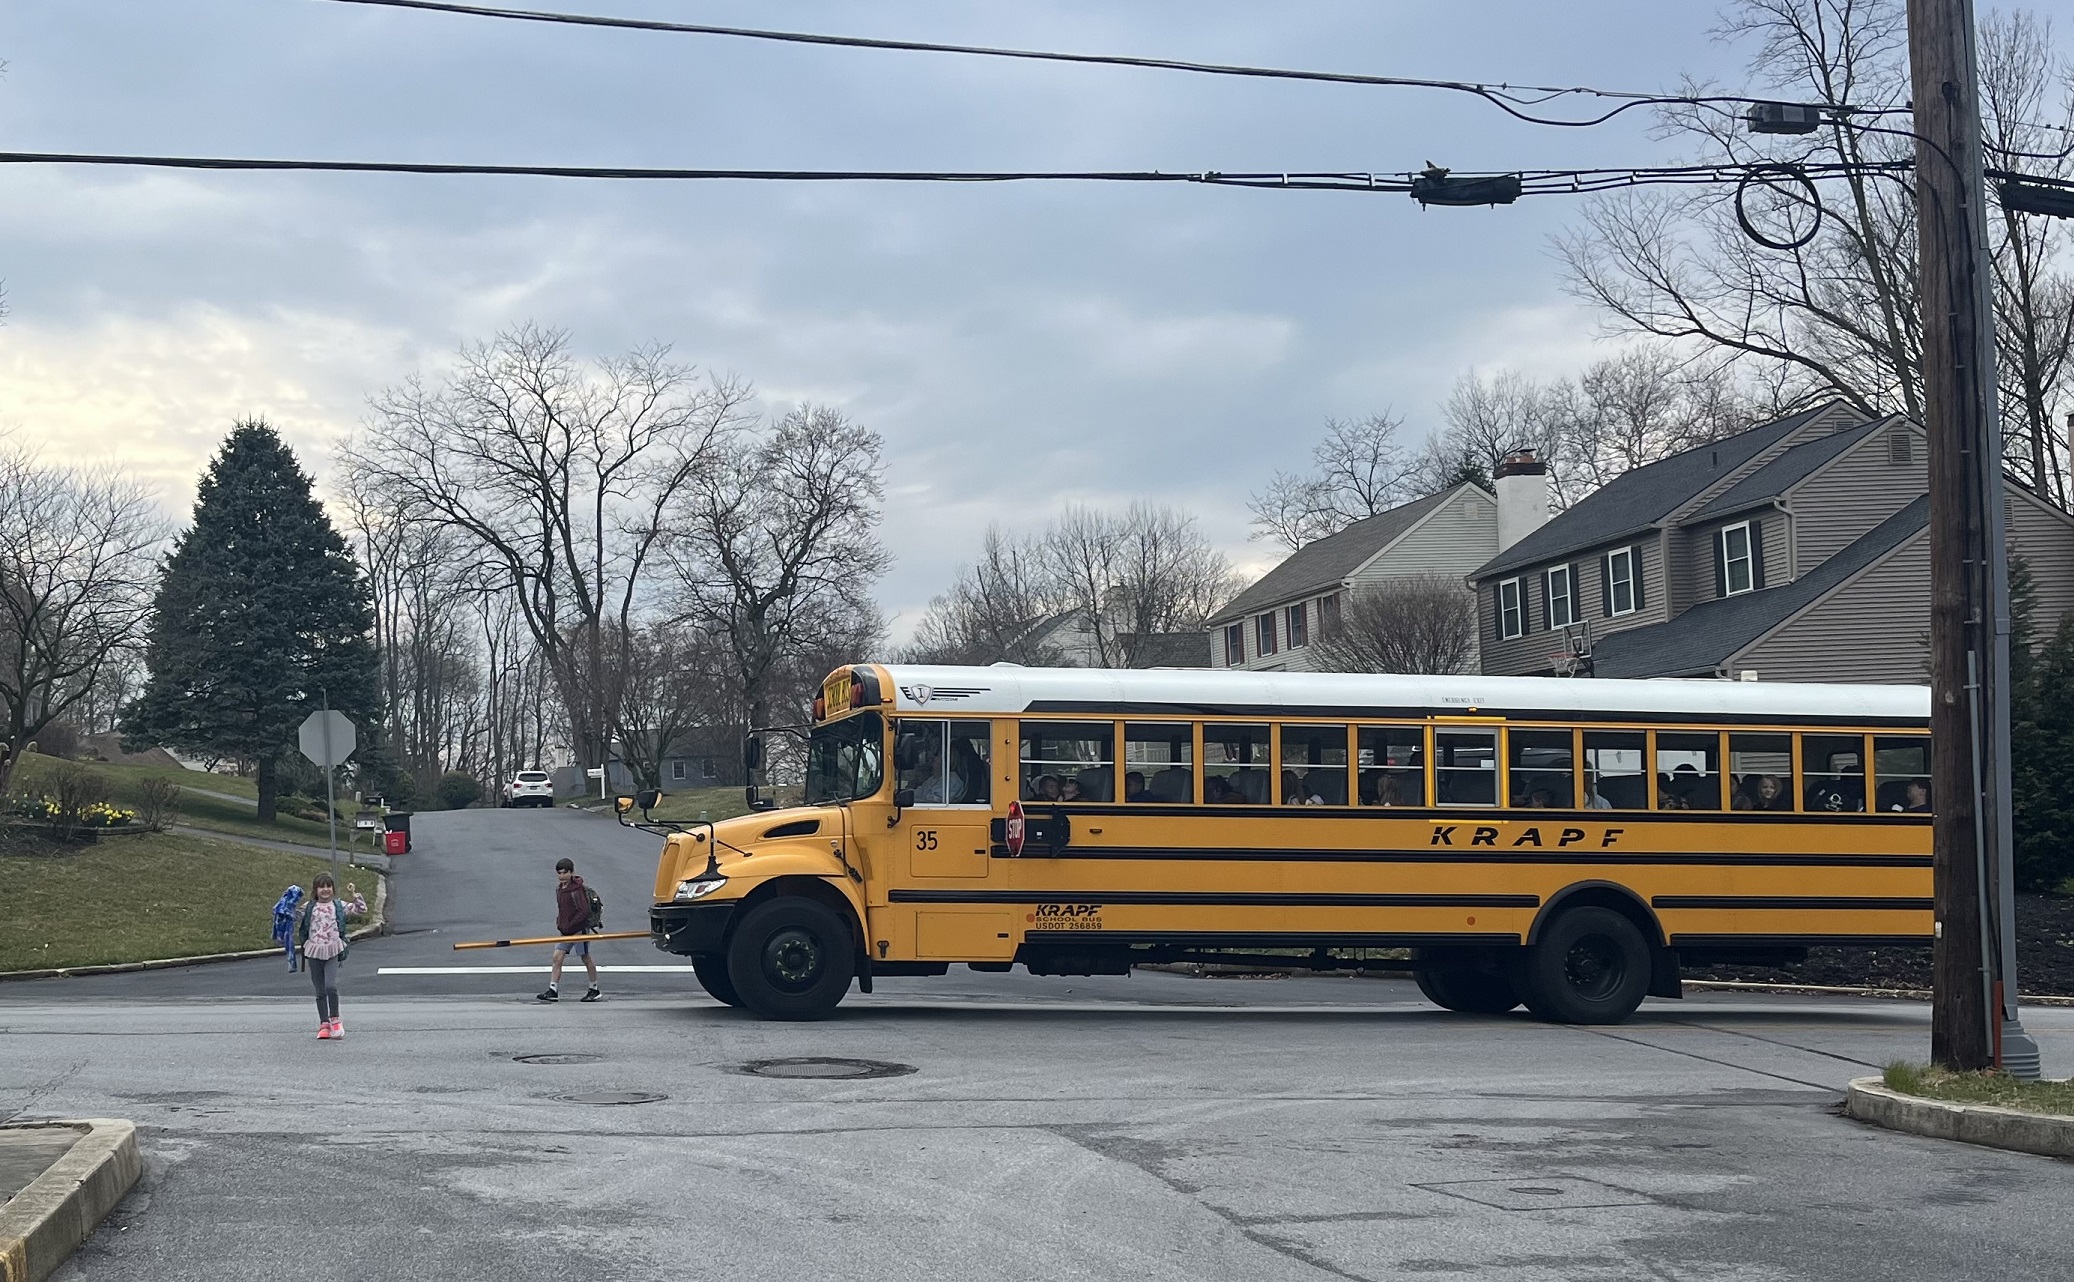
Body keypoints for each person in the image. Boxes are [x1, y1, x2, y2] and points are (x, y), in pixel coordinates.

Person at [297, 873, 366, 1040]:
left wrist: (356, 897)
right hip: (314, 950)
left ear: (333, 889)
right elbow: (295, 916)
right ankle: (324, 1024)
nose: (325, 890)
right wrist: (288, 905)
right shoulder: (309, 907)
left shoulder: (338, 905)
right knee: (320, 991)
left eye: (328, 886)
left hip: (332, 950)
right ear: (315, 890)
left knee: (330, 986)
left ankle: (335, 1019)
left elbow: (361, 910)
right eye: (321, 887)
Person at [539, 857, 601, 1003]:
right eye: (559, 873)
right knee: (557, 957)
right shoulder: (559, 889)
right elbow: (562, 909)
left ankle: (594, 989)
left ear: (572, 872)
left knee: (585, 957)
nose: (562, 876)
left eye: (565, 873)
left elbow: (583, 911)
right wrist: (561, 923)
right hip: (566, 930)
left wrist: (570, 925)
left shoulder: (576, 890)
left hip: (578, 930)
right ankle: (553, 990)